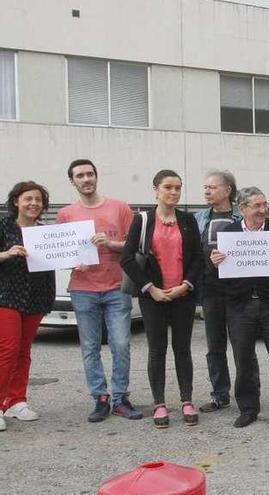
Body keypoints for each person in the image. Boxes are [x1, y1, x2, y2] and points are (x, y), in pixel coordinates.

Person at [56, 159, 141, 423]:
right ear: (72, 181)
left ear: (96, 176)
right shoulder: (65, 214)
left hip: (117, 287)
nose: (86, 179)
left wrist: (111, 243)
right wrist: (72, 261)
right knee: (90, 346)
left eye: (89, 174)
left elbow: (134, 244)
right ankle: (100, 397)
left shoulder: (120, 208)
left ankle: (120, 397)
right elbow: (60, 253)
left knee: (121, 344)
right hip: (83, 288)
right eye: (79, 176)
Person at [121, 170, 203, 429]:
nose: (174, 192)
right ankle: (159, 403)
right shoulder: (142, 220)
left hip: (182, 295)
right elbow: (127, 259)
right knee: (157, 350)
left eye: (178, 187)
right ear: (156, 190)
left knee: (183, 349)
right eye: (168, 187)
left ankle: (187, 400)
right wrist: (149, 288)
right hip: (152, 296)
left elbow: (198, 259)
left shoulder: (188, 220)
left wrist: (185, 285)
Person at [210, 187, 269, 431]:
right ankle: (248, 409)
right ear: (242, 208)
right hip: (240, 305)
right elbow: (220, 273)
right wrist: (214, 262)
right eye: (257, 206)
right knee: (243, 358)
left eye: (265, 204)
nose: (263, 210)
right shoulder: (229, 233)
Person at [0, 181, 55, 432]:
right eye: (28, 199)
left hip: (35, 297)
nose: (34, 204)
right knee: (8, 349)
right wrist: (6, 253)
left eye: (38, 200)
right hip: (6, 296)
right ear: (16, 202)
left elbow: (57, 260)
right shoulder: (3, 226)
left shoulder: (44, 233)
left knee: (24, 351)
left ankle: (16, 401)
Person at [194, 170, 242, 413]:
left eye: (212, 187)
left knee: (242, 345)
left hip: (239, 292)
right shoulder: (199, 218)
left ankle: (246, 394)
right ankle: (220, 394)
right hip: (211, 291)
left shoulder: (242, 216)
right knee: (215, 346)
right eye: (205, 187)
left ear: (228, 190)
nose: (207, 191)